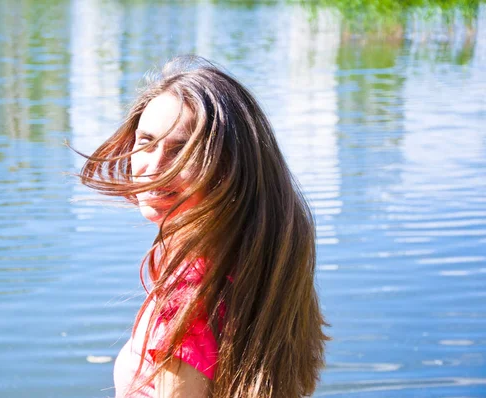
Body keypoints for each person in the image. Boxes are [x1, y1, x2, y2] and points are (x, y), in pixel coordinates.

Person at [77, 55, 329, 398]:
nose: (154, 166)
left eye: (182, 151)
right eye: (146, 141)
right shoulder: (263, 265)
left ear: (228, 170)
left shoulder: (190, 298)